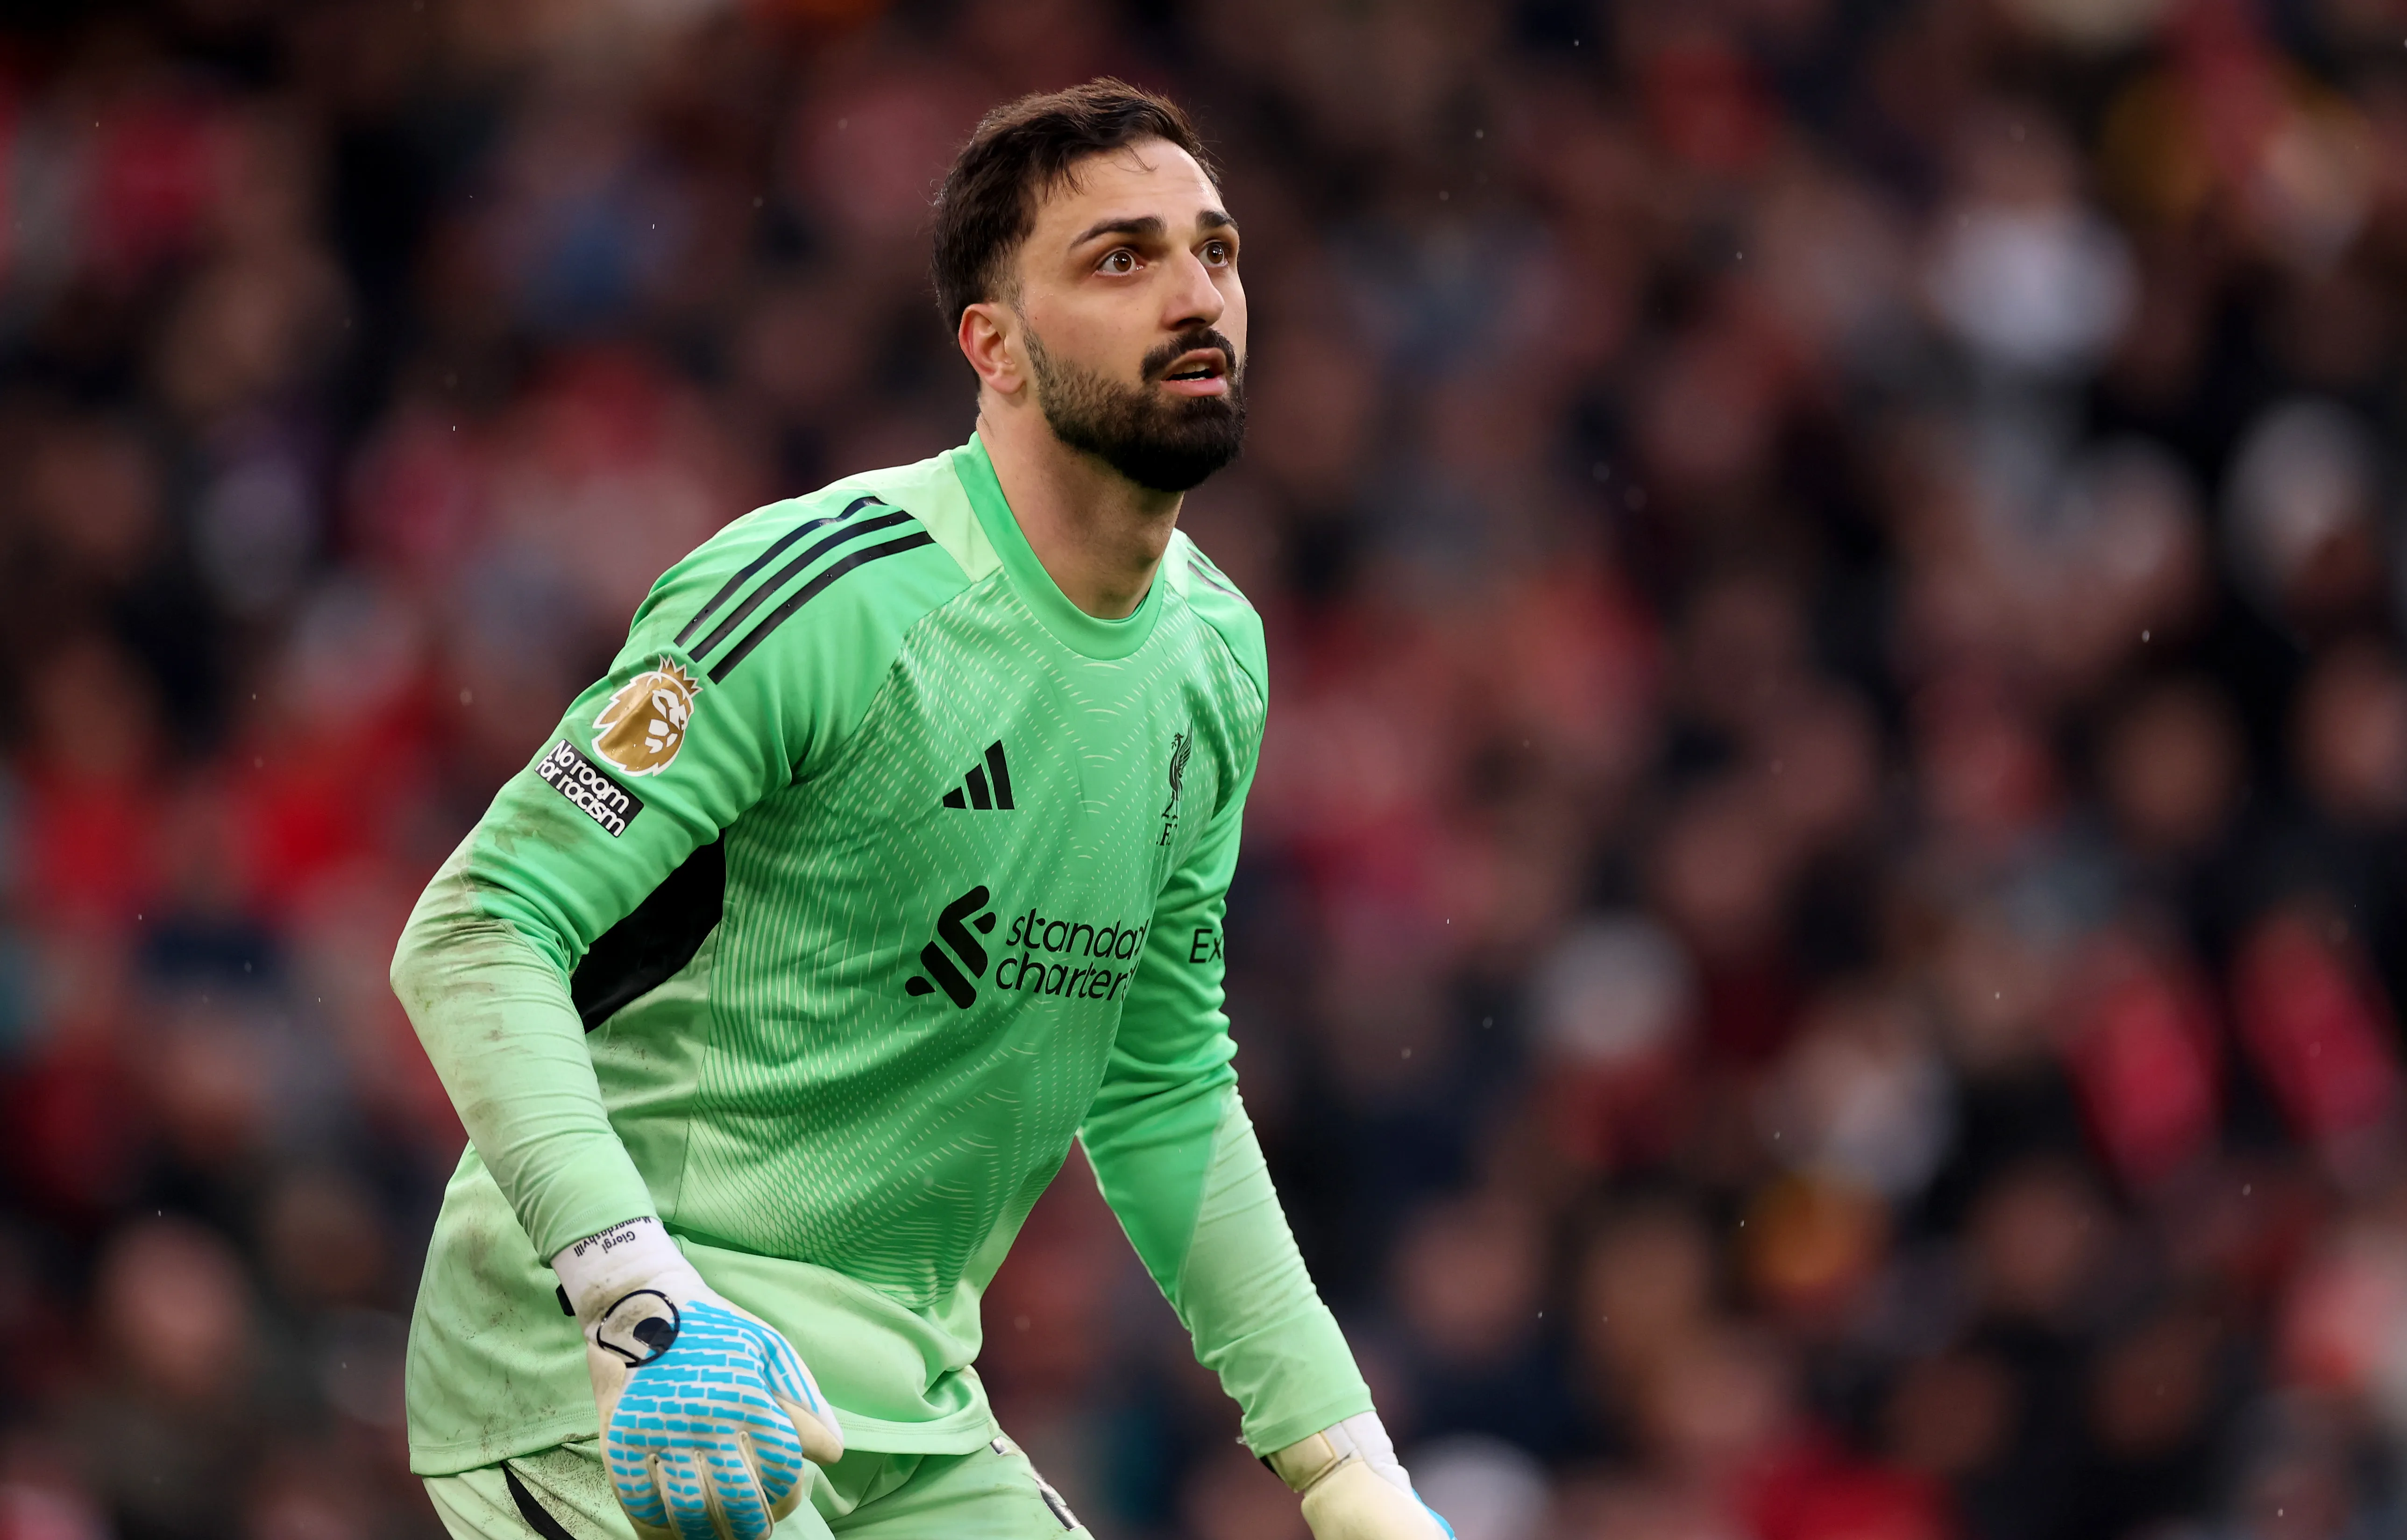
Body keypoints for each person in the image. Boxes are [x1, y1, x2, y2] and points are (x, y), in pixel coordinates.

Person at [391, 79, 1454, 1540]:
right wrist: (635, 1301)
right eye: (1121, 260)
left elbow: (1162, 1081)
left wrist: (1350, 1474)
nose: (1196, 294)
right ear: (993, 347)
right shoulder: (833, 589)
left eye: (1217, 250)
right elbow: (476, 926)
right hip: (617, 1368)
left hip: (905, 1406)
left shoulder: (1218, 656)